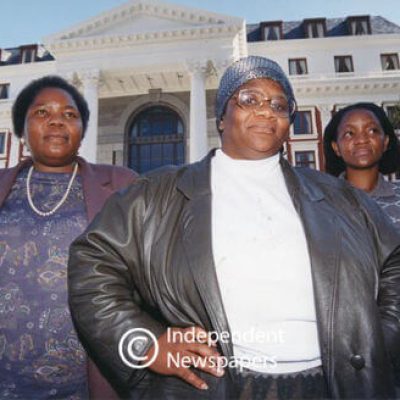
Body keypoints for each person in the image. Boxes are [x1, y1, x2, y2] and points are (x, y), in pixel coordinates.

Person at [68, 56, 400, 399]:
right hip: (214, 387)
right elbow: (93, 264)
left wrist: (377, 339)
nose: (266, 111)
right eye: (249, 99)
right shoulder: (154, 195)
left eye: (279, 105)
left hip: (331, 387)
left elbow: (395, 262)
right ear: (221, 116)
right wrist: (143, 341)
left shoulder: (341, 197)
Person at [0, 75, 137, 399]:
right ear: (21, 128)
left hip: (88, 382)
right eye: (42, 113)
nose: (57, 121)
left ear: (82, 130)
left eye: (70, 114)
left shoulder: (121, 184)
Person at [323, 102, 400, 228]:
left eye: (372, 130)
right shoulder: (319, 204)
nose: (362, 139)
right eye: (349, 133)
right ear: (336, 147)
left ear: (385, 142)